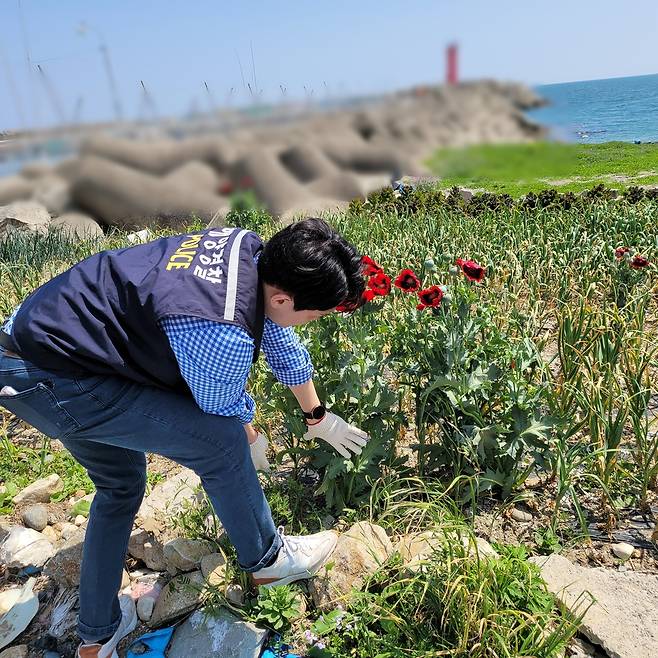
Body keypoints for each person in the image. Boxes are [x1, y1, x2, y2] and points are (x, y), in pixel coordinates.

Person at [0, 217, 369, 658]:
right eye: (316, 314)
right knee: (220, 443)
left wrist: (317, 415)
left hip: (43, 344)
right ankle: (268, 561)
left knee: (120, 485)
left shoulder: (248, 250)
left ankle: (96, 637)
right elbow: (217, 407)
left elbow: (277, 333)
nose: (312, 322)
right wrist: (248, 435)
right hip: (55, 377)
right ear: (284, 296)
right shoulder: (220, 328)